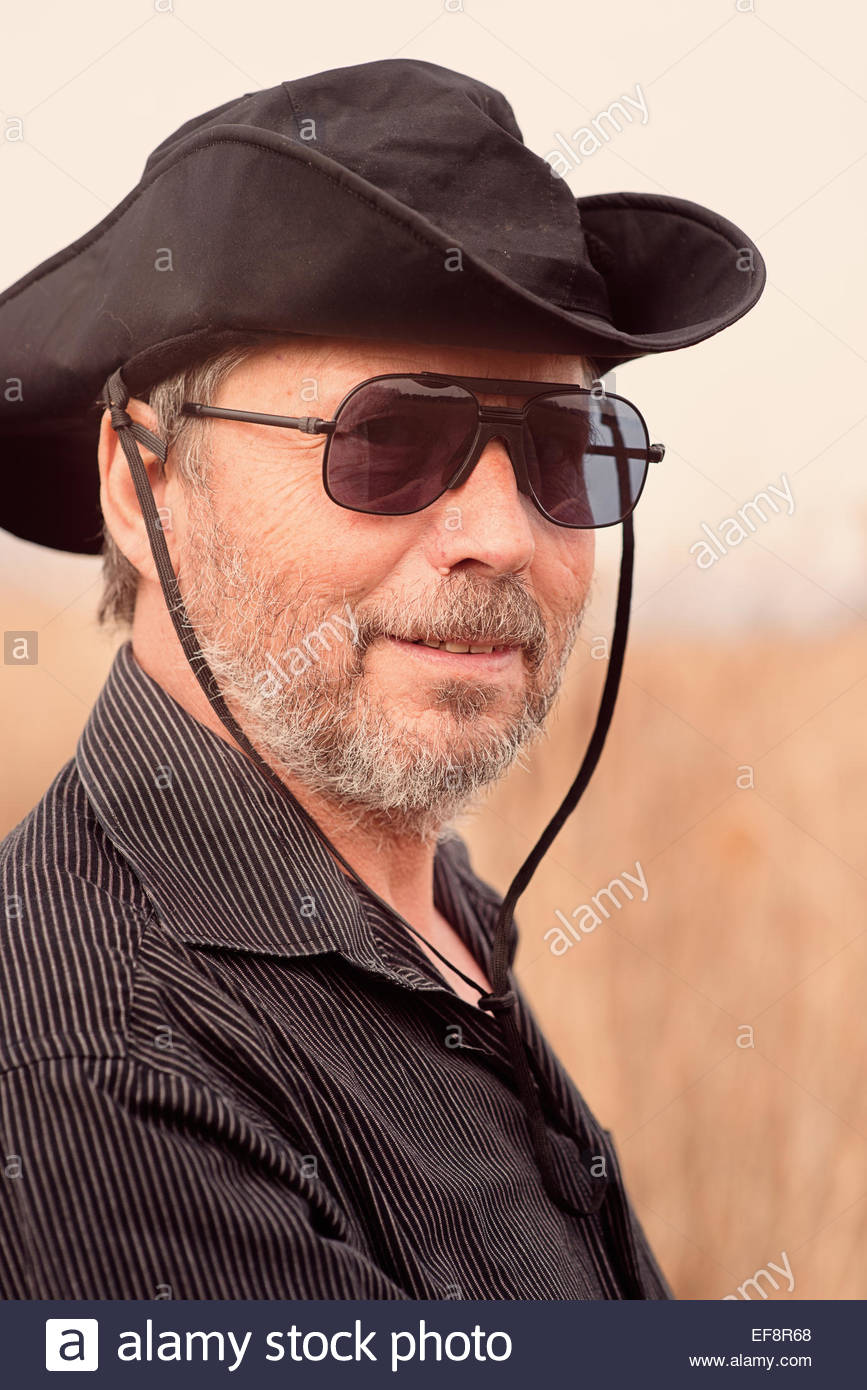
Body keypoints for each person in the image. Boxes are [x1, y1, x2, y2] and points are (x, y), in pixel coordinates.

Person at [0, 58, 765, 1299]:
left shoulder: (431, 904)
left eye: (563, 451)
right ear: (141, 489)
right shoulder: (107, 1070)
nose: (503, 535)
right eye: (389, 438)